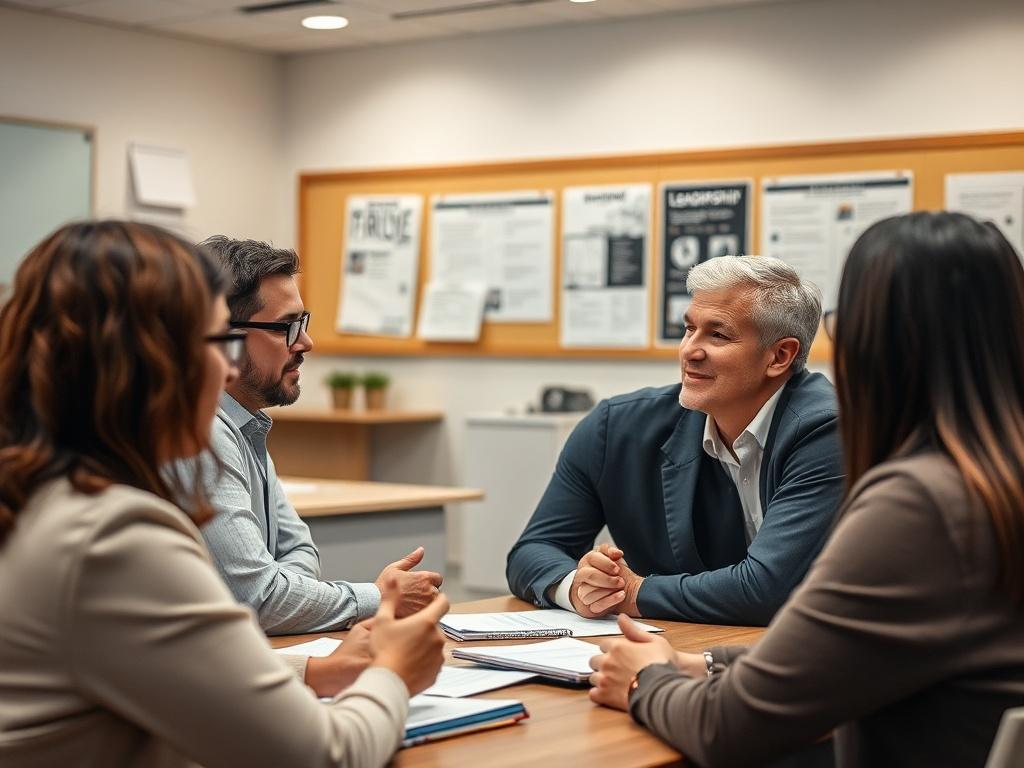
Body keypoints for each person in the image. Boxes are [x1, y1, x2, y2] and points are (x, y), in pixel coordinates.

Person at [0, 221, 448, 767]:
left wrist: (313, 671)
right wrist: (394, 674)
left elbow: (143, 660)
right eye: (215, 341)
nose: (225, 367)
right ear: (153, 363)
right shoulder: (114, 537)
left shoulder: (44, 500)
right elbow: (327, 756)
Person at [589, 212, 1024, 767]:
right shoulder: (992, 477)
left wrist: (643, 679)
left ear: (875, 341)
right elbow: (868, 651)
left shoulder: (920, 504)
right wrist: (710, 666)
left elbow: (729, 729)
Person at [507, 255, 842, 624]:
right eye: (688, 329)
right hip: (676, 653)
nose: (689, 351)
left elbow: (767, 589)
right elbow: (533, 550)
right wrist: (579, 587)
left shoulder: (826, 430)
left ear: (780, 356)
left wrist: (634, 593)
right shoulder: (615, 427)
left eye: (718, 334)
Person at [195, 236, 442, 635]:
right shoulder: (201, 432)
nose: (306, 342)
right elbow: (260, 600)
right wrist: (381, 598)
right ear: (224, 337)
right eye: (286, 327)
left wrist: (284, 592)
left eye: (301, 323)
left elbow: (298, 550)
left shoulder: (245, 425)